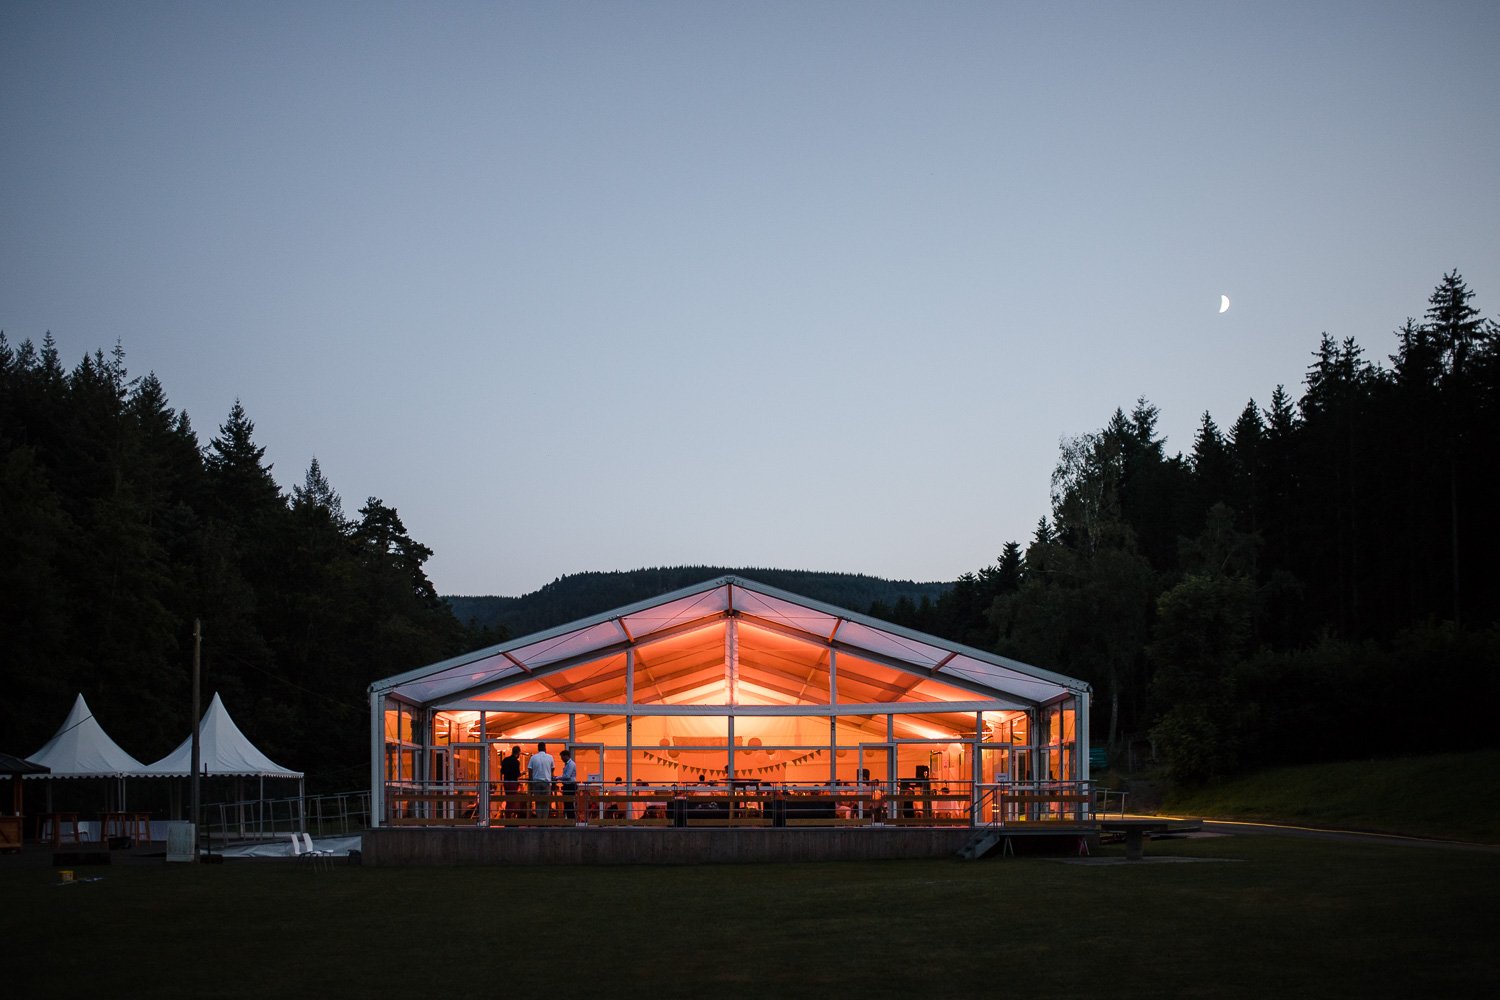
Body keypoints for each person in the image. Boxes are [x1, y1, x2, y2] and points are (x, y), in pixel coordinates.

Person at [527, 742, 555, 819]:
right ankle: (545, 821)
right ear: (545, 748)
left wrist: (531, 781)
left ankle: (539, 821)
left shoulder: (533, 758)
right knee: (546, 803)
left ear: (538, 748)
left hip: (536, 782)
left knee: (538, 802)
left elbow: (530, 769)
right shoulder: (550, 757)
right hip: (547, 782)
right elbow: (552, 768)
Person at [500, 745, 522, 819]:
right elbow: (517, 774)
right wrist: (522, 774)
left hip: (506, 782)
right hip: (513, 782)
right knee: (512, 801)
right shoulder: (516, 762)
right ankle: (509, 818)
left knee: (508, 799)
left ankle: (507, 816)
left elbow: (502, 771)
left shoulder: (505, 760)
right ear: (518, 753)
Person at [559, 749, 577, 820]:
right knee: (567, 804)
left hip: (569, 786)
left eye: (562, 757)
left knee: (569, 804)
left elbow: (567, 776)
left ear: (566, 756)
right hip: (568, 785)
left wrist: (558, 778)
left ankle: (571, 820)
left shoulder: (571, 764)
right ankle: (569, 820)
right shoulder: (568, 764)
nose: (562, 759)